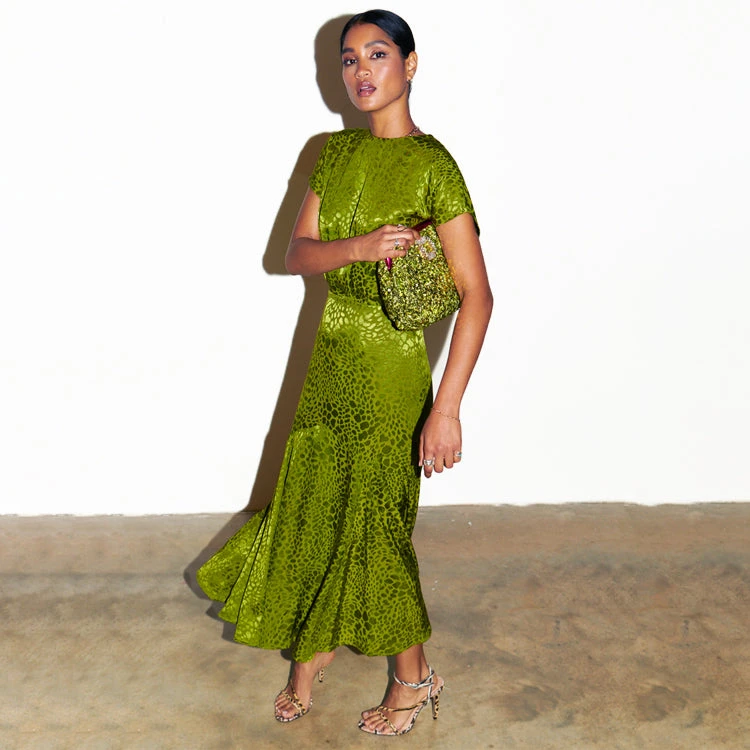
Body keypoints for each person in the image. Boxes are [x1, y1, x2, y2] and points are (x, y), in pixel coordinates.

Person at [196, 9, 493, 736]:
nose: (361, 71)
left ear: (410, 65)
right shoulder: (333, 153)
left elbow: (478, 295)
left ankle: (414, 679)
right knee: (313, 506)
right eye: (349, 58)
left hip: (392, 370)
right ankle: (310, 658)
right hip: (331, 358)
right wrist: (358, 247)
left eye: (378, 54)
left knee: (375, 526)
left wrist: (447, 407)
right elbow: (296, 254)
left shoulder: (434, 165)